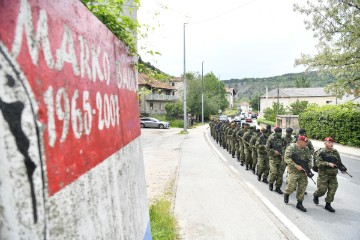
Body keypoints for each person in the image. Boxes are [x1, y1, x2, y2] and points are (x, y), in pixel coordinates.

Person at [313, 137, 347, 212]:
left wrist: (342, 168)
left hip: (333, 175)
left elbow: (338, 162)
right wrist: (328, 163)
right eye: (329, 142)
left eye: (332, 142)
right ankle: (316, 195)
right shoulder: (320, 152)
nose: (331, 144)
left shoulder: (335, 152)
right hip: (323, 174)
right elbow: (318, 163)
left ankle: (328, 204)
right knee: (322, 190)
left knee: (333, 189)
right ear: (325, 143)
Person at [283, 136, 312, 212]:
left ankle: (299, 203)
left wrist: (308, 169)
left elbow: (309, 159)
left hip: (303, 171)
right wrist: (295, 165)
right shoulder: (291, 148)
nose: (306, 143)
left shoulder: (306, 149)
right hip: (293, 170)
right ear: (299, 142)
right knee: (292, 186)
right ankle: (287, 193)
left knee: (303, 187)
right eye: (304, 142)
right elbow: (286, 158)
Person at [266, 127, 286, 194]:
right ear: (275, 132)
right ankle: (271, 182)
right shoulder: (271, 138)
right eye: (278, 132)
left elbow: (286, 146)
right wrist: (274, 151)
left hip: (281, 158)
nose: (280, 134)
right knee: (274, 172)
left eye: (281, 132)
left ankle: (278, 187)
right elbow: (267, 148)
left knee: (280, 174)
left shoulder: (282, 138)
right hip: (273, 158)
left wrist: (284, 151)